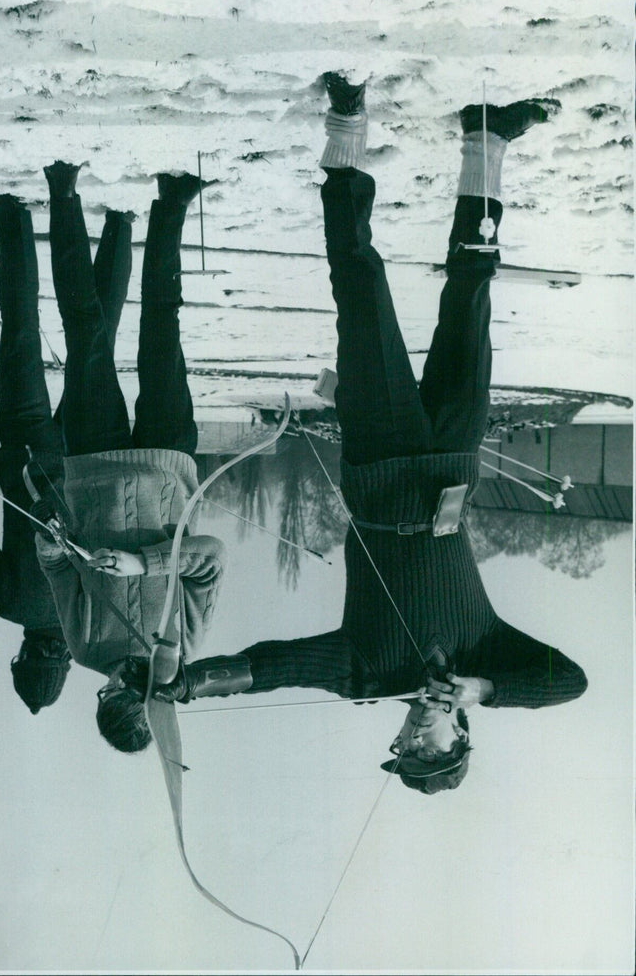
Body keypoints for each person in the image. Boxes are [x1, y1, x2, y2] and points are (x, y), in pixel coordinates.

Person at [122, 75, 587, 794]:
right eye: (424, 744)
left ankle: (345, 129)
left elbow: (273, 667)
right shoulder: (491, 658)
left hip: (379, 464)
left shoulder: (365, 674)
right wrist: (481, 688)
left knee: (361, 284)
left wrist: (190, 685)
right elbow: (571, 683)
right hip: (453, 463)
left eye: (403, 744)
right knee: (472, 291)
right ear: (458, 734)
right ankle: (486, 136)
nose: (409, 733)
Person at [29, 163, 227, 754]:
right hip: (170, 464)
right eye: (129, 691)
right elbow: (211, 561)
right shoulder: (181, 646)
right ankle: (172, 206)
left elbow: (59, 570)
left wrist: (51, 537)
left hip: (93, 465)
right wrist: (144, 565)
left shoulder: (88, 648)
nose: (118, 681)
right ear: (154, 697)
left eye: (110, 694)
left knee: (86, 330)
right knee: (161, 329)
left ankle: (62, 195)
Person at [0, 184, 136, 713]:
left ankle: (121, 226)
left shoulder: (92, 617)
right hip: (29, 456)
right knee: (22, 332)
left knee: (95, 343)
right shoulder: (11, 606)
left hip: (87, 460)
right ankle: (12, 218)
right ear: (24, 659)